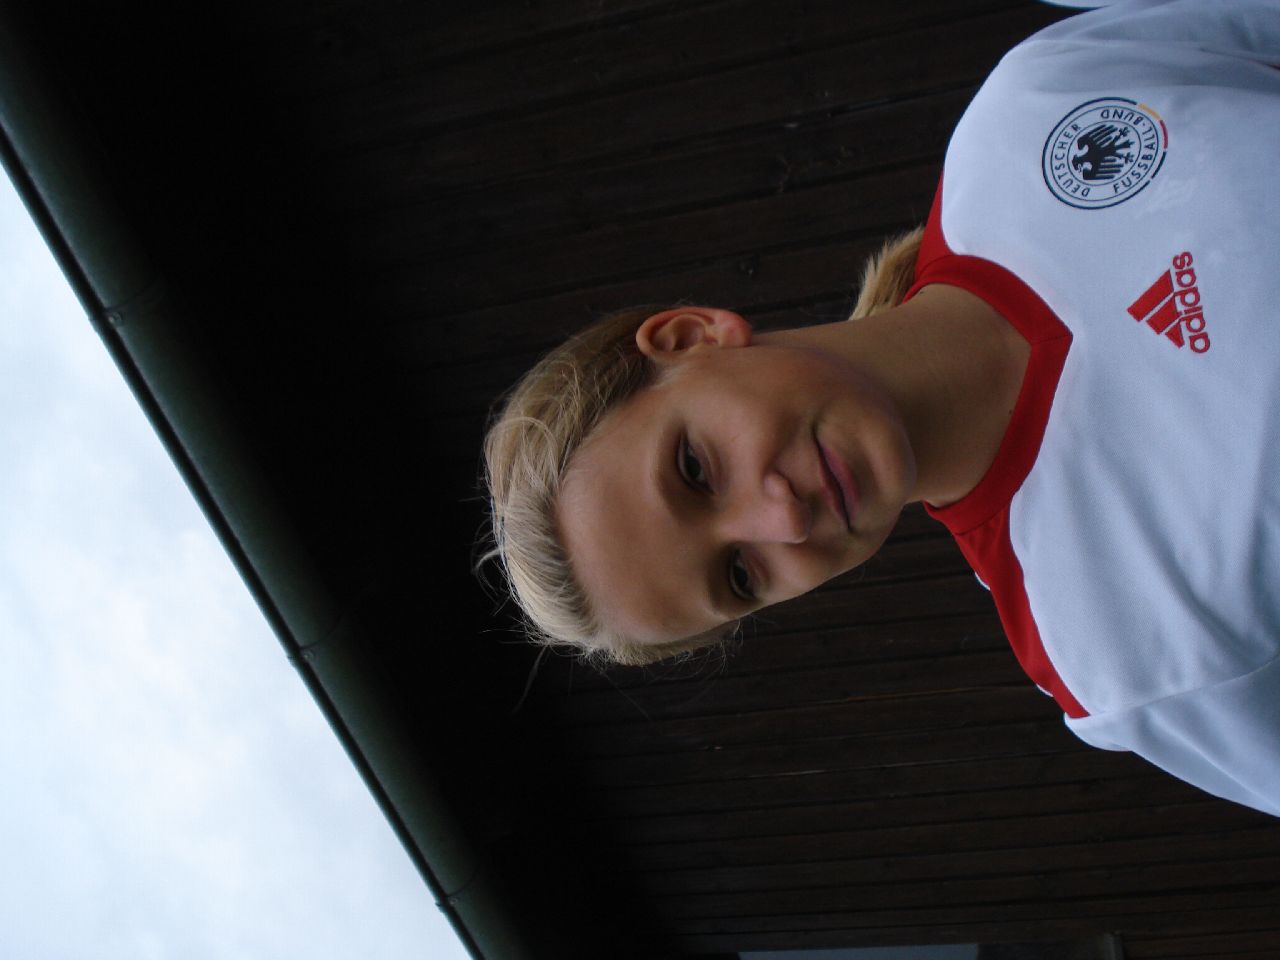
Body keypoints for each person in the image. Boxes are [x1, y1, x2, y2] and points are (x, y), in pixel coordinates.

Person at [482, 0, 1280, 816]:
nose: (782, 522)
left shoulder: (1024, 116)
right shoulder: (1119, 653)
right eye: (741, 575)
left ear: (691, 339)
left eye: (695, 470)